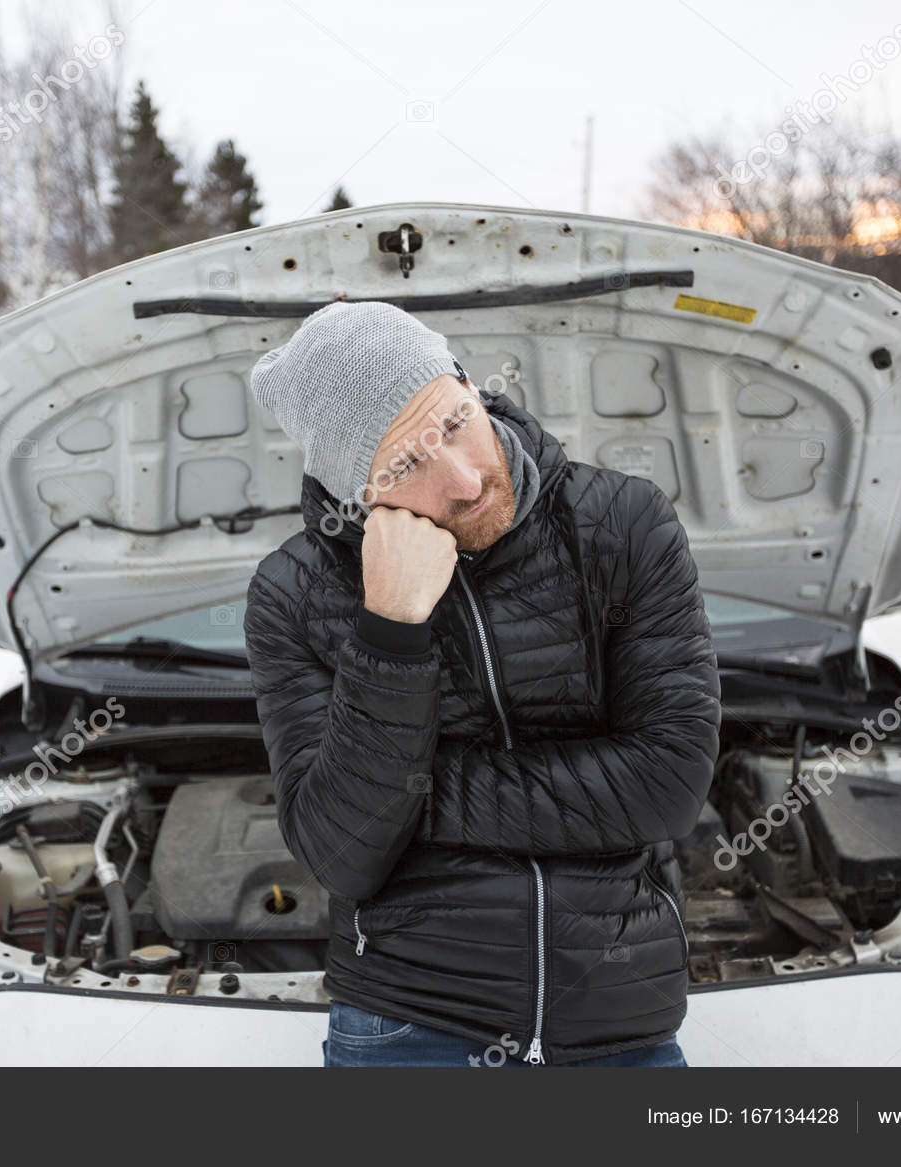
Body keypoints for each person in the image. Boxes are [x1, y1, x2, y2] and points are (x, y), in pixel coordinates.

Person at [242, 301, 721, 1066]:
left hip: (615, 1012)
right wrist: (390, 631)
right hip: (407, 1021)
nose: (466, 480)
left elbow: (669, 784)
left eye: (458, 421)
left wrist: (414, 796)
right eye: (408, 467)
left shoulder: (625, 525)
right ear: (357, 495)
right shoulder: (293, 594)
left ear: (469, 383)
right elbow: (341, 855)